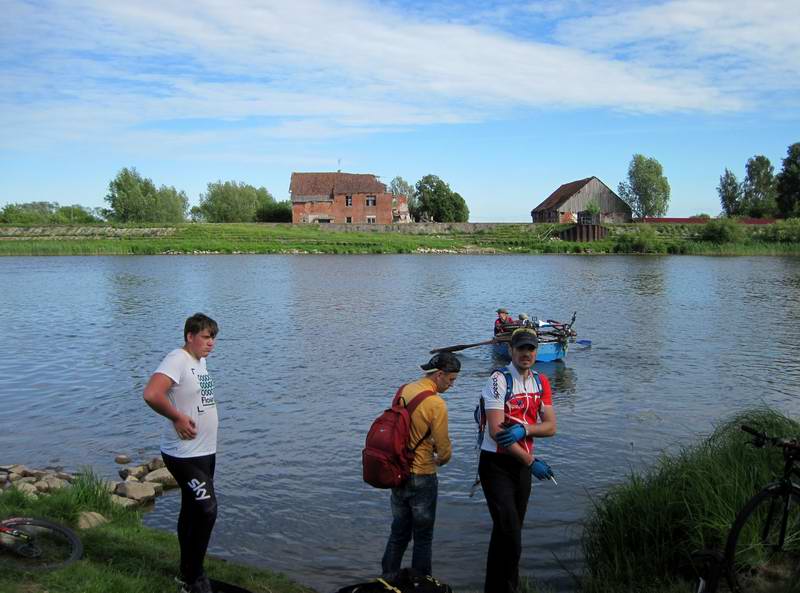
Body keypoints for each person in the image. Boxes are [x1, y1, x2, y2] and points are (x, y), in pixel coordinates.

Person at [143, 313, 220, 593]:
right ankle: (193, 577)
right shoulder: (178, 358)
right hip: (183, 453)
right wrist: (176, 417)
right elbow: (152, 394)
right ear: (190, 336)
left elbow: (201, 400)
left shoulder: (200, 362)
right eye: (206, 337)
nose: (211, 343)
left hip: (204, 451)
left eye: (213, 337)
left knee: (192, 509)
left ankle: (186, 573)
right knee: (207, 509)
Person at [478, 328, 557, 593]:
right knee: (510, 530)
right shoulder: (498, 381)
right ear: (511, 351)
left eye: (531, 349)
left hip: (522, 465)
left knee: (509, 532)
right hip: (496, 464)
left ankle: (498, 587)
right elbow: (496, 431)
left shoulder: (541, 382)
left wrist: (526, 429)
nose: (527, 354)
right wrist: (530, 460)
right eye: (521, 348)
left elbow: (551, 426)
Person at [381, 352, 460, 580]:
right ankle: (421, 583)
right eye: (451, 380)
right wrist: (439, 458)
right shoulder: (436, 403)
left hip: (398, 471)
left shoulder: (404, 390)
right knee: (423, 536)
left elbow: (403, 429)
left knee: (399, 532)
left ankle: (387, 578)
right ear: (439, 375)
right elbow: (444, 450)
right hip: (422, 475)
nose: (452, 385)